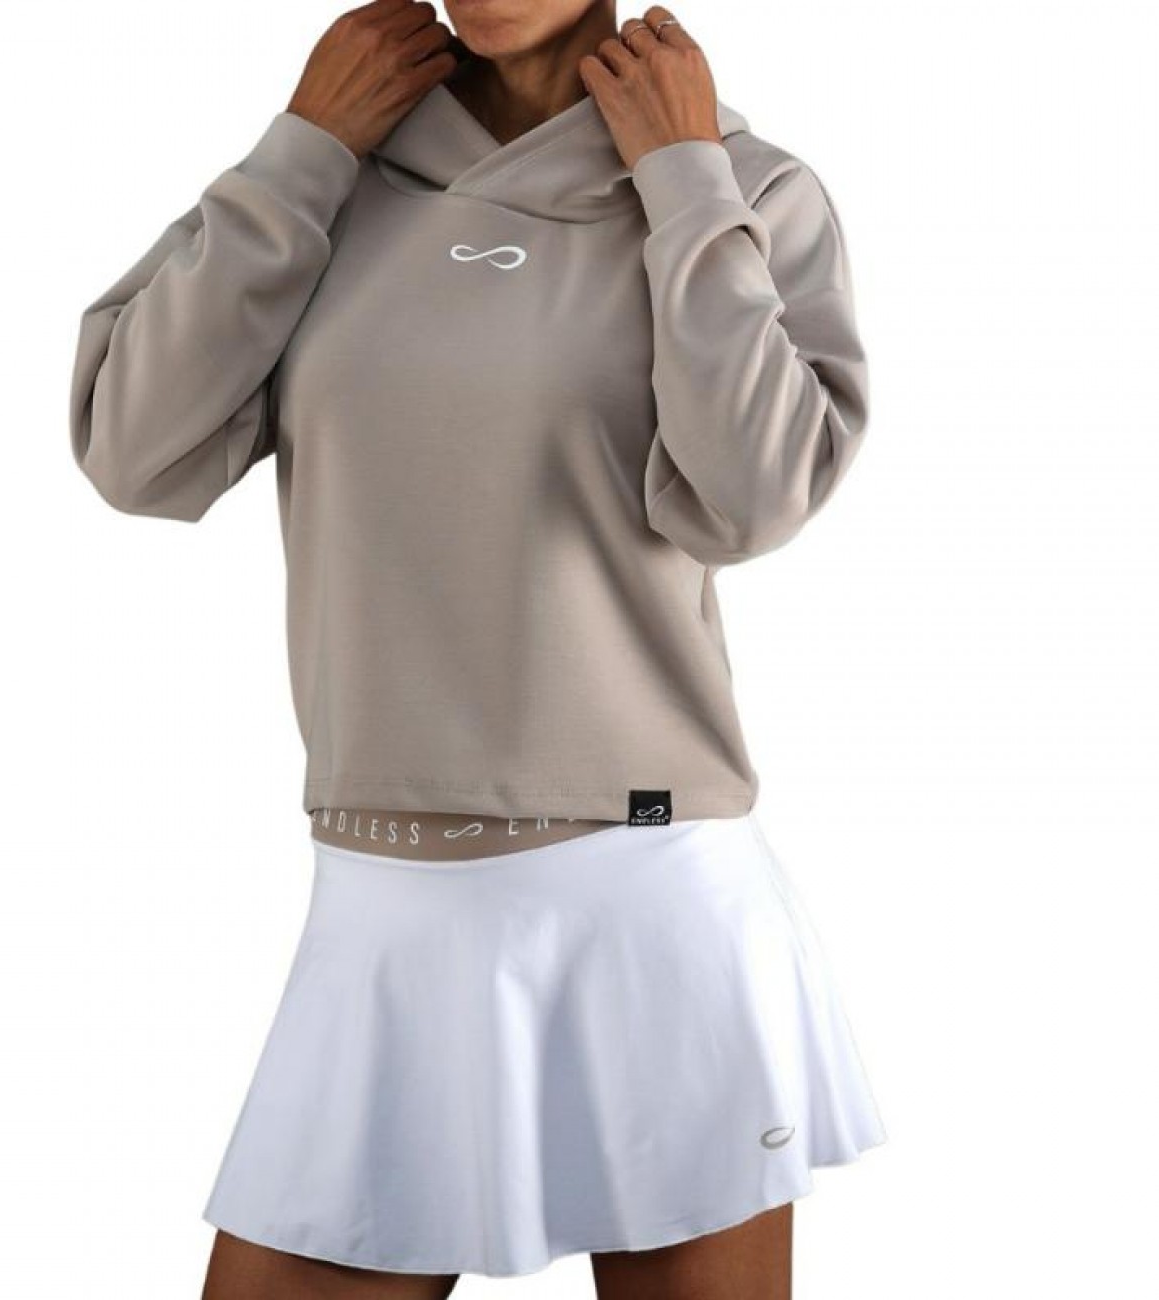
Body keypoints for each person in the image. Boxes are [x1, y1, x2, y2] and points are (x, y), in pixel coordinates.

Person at [68, 1, 888, 1295]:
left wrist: (682, 182)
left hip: (645, 893)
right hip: (379, 910)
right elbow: (133, 447)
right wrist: (302, 151)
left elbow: (751, 500)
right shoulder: (336, 171)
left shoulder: (745, 184)